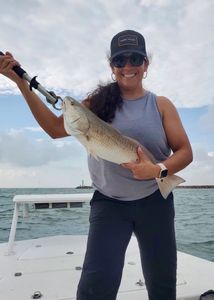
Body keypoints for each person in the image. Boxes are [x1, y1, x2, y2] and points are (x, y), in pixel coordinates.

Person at [0, 29, 193, 300]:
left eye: (135, 59)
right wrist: (21, 83)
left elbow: (185, 152)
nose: (127, 66)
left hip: (155, 204)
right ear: (111, 66)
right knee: (96, 287)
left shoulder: (161, 105)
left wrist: (157, 169)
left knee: (162, 284)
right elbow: (56, 129)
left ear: (145, 65)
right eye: (120, 60)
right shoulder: (96, 103)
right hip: (109, 205)